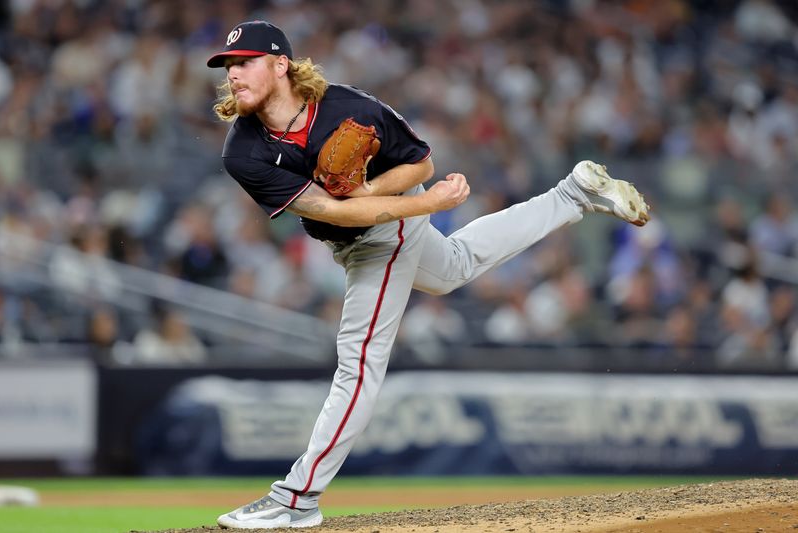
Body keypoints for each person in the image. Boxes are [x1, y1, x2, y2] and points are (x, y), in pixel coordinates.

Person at [206, 20, 650, 529]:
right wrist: (386, 201)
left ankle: (297, 498)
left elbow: (421, 164)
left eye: (244, 62)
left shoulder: (349, 106)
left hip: (387, 232)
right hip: (356, 233)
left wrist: (405, 198)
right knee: (454, 267)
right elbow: (333, 213)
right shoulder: (243, 149)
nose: (233, 74)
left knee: (358, 363)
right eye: (229, 66)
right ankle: (570, 196)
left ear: (281, 65)